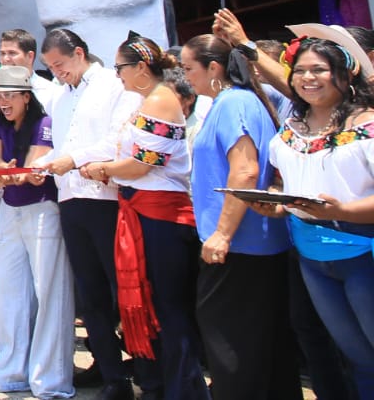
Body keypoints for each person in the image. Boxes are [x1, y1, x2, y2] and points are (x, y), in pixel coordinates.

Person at [78, 33, 206, 400]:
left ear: (140, 68)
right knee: (156, 307)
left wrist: (103, 169)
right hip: (142, 212)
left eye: (120, 67)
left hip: (160, 217)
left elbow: (142, 164)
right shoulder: (150, 101)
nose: (117, 74)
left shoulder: (161, 102)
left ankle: (183, 390)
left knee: (168, 308)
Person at [178, 33, 299, 400]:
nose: (186, 78)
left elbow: (245, 171)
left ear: (214, 68)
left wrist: (223, 234)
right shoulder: (235, 102)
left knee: (233, 345)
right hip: (248, 244)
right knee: (262, 345)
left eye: (188, 68)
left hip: (240, 245)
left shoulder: (235, 104)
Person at [256, 34, 374, 395]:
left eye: (319, 70)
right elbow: (287, 184)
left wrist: (343, 209)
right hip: (312, 257)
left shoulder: (366, 126)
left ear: (344, 73)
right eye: (301, 71)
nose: (308, 78)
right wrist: (274, 204)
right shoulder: (291, 130)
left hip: (362, 252)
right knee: (357, 357)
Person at [39, 27, 139, 399]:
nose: (57, 73)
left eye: (60, 64)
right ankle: (110, 371)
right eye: (50, 67)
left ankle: (145, 370)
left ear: (79, 53)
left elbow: (118, 139)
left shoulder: (113, 86)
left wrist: (72, 159)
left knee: (122, 289)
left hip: (106, 200)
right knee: (89, 294)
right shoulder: (60, 97)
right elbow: (61, 146)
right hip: (70, 198)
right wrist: (43, 165)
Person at [0, 65, 74, 400]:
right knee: (7, 289)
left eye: (9, 94)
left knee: (49, 291)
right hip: (11, 208)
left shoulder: (43, 123)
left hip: (42, 210)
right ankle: (11, 369)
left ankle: (51, 378)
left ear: (25, 96)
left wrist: (7, 172)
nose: (3, 101)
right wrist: (1, 171)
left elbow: (32, 165)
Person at [0, 29, 60, 112]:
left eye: (12, 53)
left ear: (30, 56)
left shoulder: (51, 92)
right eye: (2, 53)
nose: (5, 59)